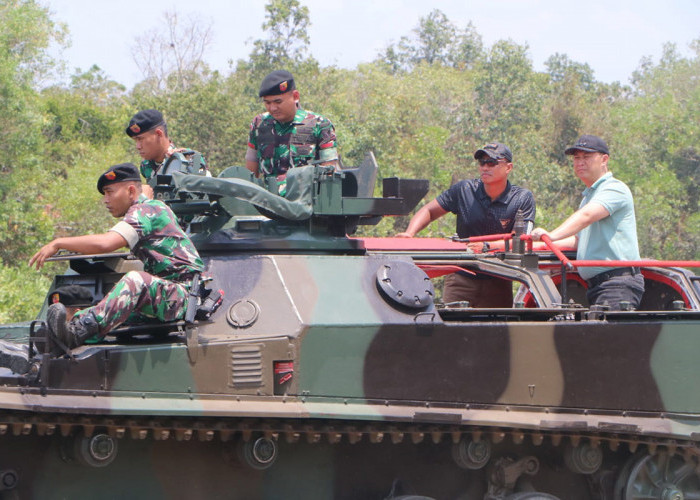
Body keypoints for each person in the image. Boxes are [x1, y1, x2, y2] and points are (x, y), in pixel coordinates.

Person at [29, 163, 205, 353]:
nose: (105, 200)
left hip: (184, 296)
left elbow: (106, 243)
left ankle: (74, 333)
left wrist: (59, 243)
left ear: (130, 191)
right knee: (112, 310)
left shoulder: (147, 210)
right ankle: (59, 336)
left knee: (135, 280)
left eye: (109, 192)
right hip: (165, 295)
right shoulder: (146, 208)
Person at [397, 142, 535, 307]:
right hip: (461, 276)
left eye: (492, 162)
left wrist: (486, 245)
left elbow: (521, 241)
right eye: (481, 162)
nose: (485, 167)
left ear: (508, 167)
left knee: (497, 330)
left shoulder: (522, 198)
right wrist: (410, 233)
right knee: (452, 328)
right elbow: (429, 210)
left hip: (499, 279)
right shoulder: (464, 190)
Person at [531, 134, 644, 310]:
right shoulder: (589, 196)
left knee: (608, 337)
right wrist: (543, 244)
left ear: (604, 159)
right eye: (577, 158)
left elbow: (586, 217)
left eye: (587, 157)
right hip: (599, 285)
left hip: (617, 284)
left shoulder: (614, 188)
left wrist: (551, 234)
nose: (580, 162)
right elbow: (579, 240)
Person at [245, 70, 339, 192]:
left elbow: (329, 173)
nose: (272, 108)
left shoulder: (320, 125)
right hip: (268, 202)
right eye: (267, 103)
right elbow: (250, 172)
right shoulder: (259, 124)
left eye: (278, 102)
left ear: (295, 97)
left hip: (306, 203)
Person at [126, 109, 207, 198]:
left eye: (140, 139)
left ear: (158, 134)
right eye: (136, 140)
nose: (138, 146)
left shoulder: (188, 159)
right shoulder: (146, 166)